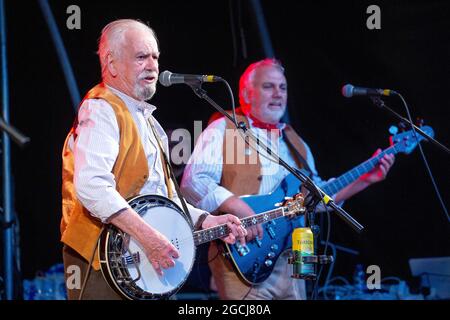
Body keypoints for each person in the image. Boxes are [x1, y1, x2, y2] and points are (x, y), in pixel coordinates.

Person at [60, 19, 246, 300]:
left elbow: (162, 197)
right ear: (111, 63)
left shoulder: (149, 122)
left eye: (155, 57)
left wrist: (206, 220)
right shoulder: (100, 109)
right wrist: (148, 237)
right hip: (105, 262)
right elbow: (92, 186)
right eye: (141, 57)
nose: (152, 65)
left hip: (146, 267)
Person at [180, 58, 395, 300]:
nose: (278, 94)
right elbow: (193, 182)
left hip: (294, 261)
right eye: (268, 86)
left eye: (282, 87)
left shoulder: (295, 142)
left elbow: (317, 197)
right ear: (246, 94)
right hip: (241, 258)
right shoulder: (222, 129)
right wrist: (242, 209)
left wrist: (366, 179)